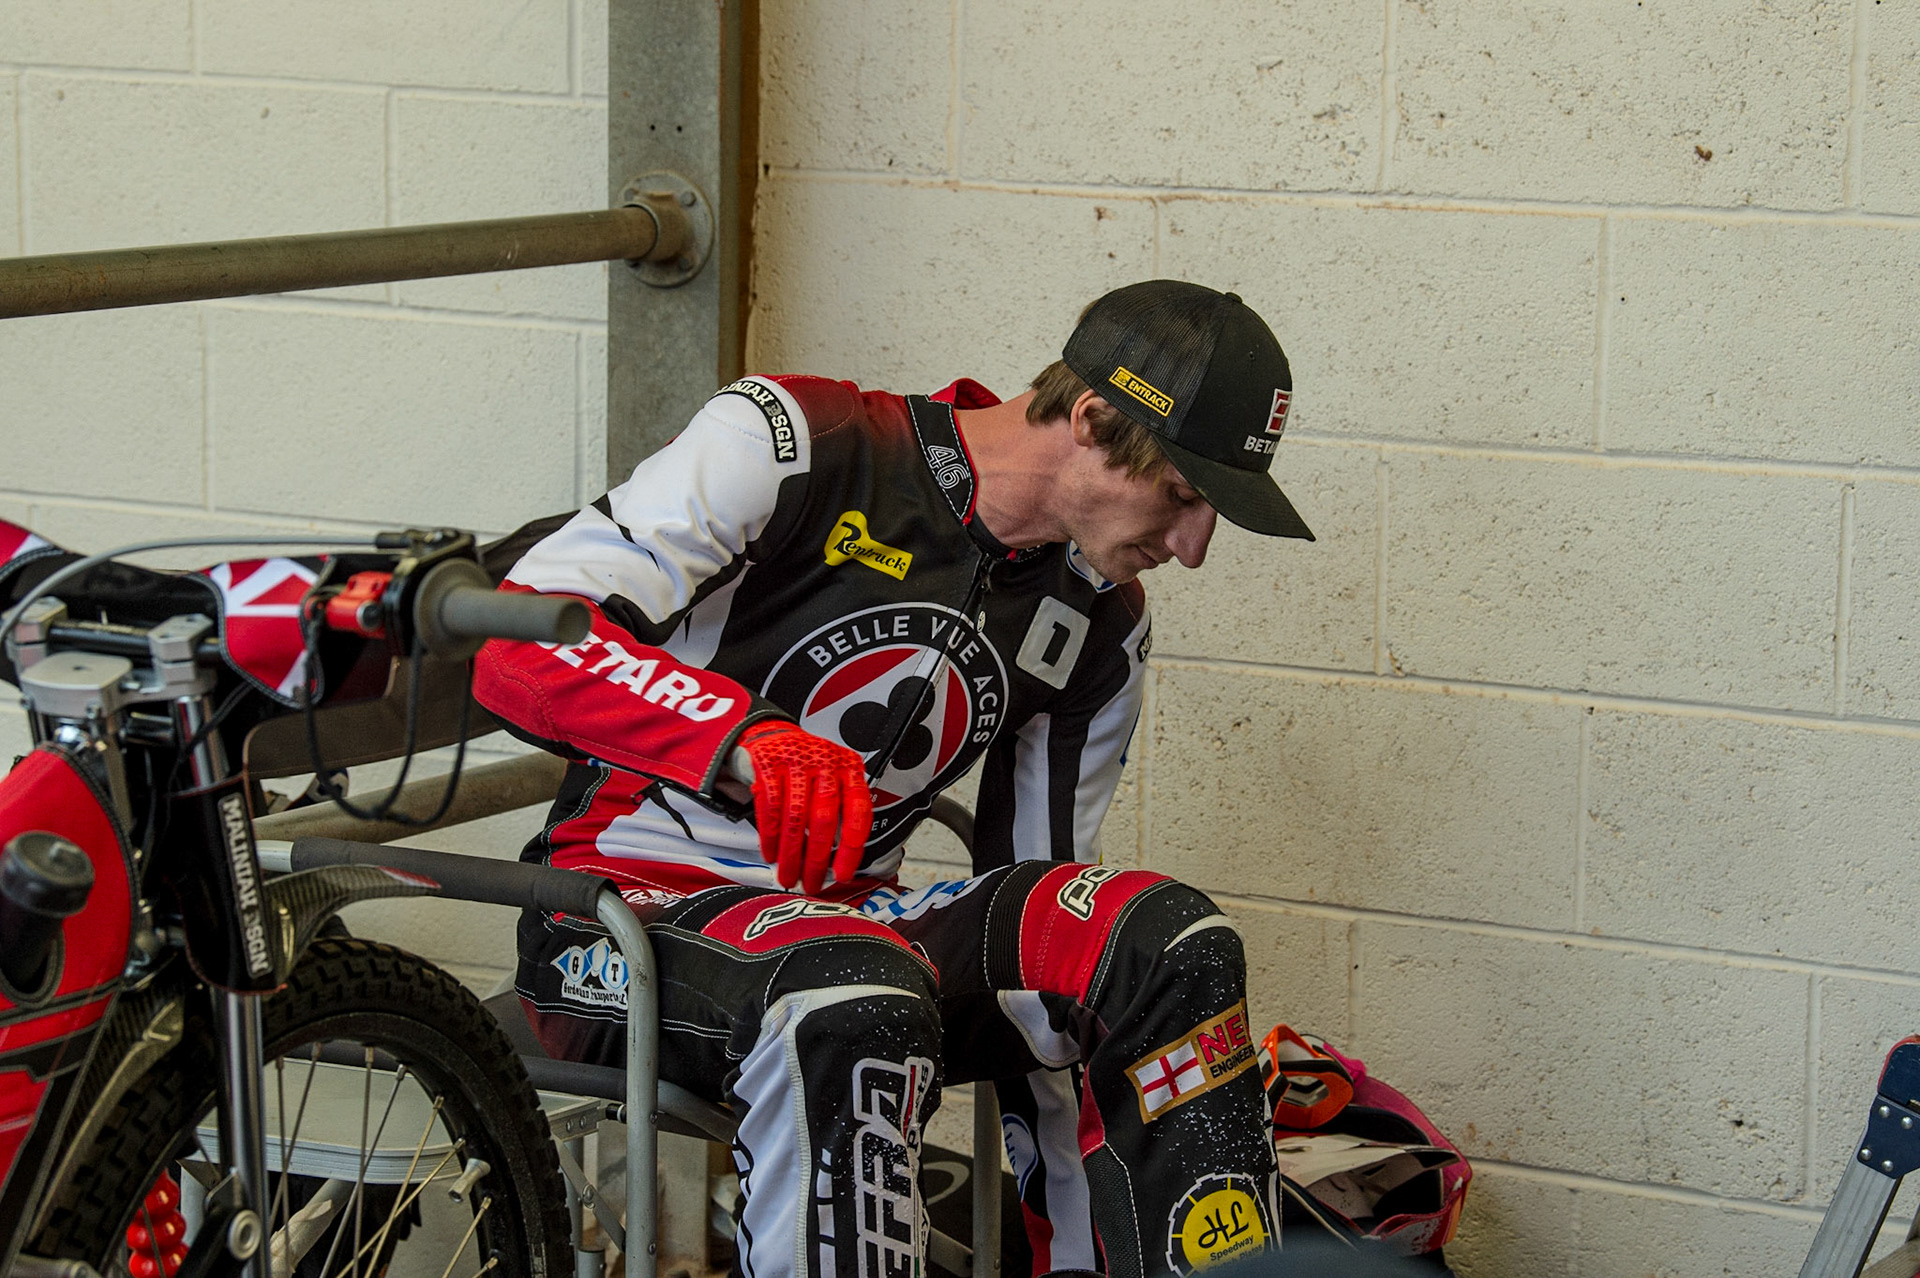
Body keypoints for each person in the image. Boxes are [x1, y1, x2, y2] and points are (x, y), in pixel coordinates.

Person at [474, 280, 1316, 1278]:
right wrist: (747, 737)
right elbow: (519, 630)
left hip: (852, 929)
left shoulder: (1099, 620)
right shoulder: (795, 440)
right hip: (617, 921)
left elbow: (1046, 949)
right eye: (1180, 496)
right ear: (1091, 419)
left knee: (1164, 945)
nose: (1194, 548)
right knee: (851, 992)